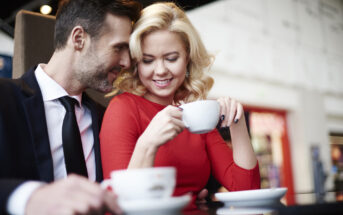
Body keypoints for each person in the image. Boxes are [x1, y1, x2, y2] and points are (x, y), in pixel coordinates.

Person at [100, 2, 260, 209]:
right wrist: (148, 143)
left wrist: (237, 122)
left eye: (171, 58)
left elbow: (247, 190)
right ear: (136, 63)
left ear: (187, 58)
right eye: (148, 61)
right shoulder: (123, 109)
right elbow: (118, 205)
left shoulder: (196, 114)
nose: (160, 71)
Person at [0, 0, 141, 214]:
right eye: (119, 47)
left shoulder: (107, 119)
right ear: (78, 39)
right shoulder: (4, 99)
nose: (126, 63)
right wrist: (28, 196)